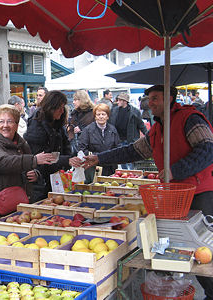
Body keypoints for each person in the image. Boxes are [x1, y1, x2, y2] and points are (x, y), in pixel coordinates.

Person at [83, 84, 213, 300]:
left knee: (204, 252)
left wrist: (175, 170)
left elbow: (208, 149)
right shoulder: (158, 129)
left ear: (170, 98)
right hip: (175, 197)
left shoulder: (190, 118)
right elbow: (133, 150)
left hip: (202, 192)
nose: (150, 103)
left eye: (155, 98)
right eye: (148, 98)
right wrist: (99, 158)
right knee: (183, 250)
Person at [0, 104, 54, 219]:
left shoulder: (22, 144)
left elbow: (27, 167)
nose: (5, 126)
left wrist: (35, 174)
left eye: (10, 122)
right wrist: (34, 160)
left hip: (19, 204)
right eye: (1, 122)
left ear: (17, 125)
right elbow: (4, 162)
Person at [24, 91, 80, 202]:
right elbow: (43, 157)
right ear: (51, 107)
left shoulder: (57, 124)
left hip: (56, 178)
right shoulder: (37, 125)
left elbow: (66, 146)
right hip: (41, 182)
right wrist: (67, 160)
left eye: (63, 107)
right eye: (59, 107)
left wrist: (70, 157)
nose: (62, 111)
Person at [78, 103, 120, 183]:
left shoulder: (113, 130)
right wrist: (95, 156)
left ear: (107, 116)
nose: (101, 116)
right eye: (98, 114)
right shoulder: (88, 130)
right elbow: (82, 149)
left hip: (110, 167)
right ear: (95, 116)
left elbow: (117, 147)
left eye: (103, 114)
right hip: (94, 168)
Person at [109, 92, 148, 169]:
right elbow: (110, 124)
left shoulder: (134, 111)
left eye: (120, 100)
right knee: (121, 158)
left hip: (130, 139)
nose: (118, 102)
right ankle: (125, 173)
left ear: (125, 101)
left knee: (131, 159)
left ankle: (132, 173)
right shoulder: (114, 111)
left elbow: (141, 124)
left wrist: (148, 135)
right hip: (119, 139)